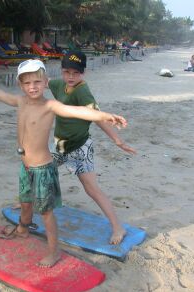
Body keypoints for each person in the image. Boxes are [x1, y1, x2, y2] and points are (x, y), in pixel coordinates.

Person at [0, 59, 127, 267]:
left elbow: (79, 111)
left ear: (45, 83)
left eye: (37, 82)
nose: (32, 87)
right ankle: (23, 230)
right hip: (25, 166)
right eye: (27, 83)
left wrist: (106, 115)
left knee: (45, 212)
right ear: (20, 85)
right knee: (25, 203)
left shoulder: (50, 105)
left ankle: (54, 252)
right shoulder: (21, 101)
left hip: (42, 168)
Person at [48, 51, 137, 245]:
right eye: (67, 72)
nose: (71, 76)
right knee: (39, 171)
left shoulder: (82, 91)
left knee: (91, 189)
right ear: (62, 71)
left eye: (76, 73)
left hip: (80, 148)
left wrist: (117, 140)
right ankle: (26, 206)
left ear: (83, 73)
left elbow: (96, 117)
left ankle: (118, 227)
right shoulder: (58, 85)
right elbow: (43, 81)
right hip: (60, 145)